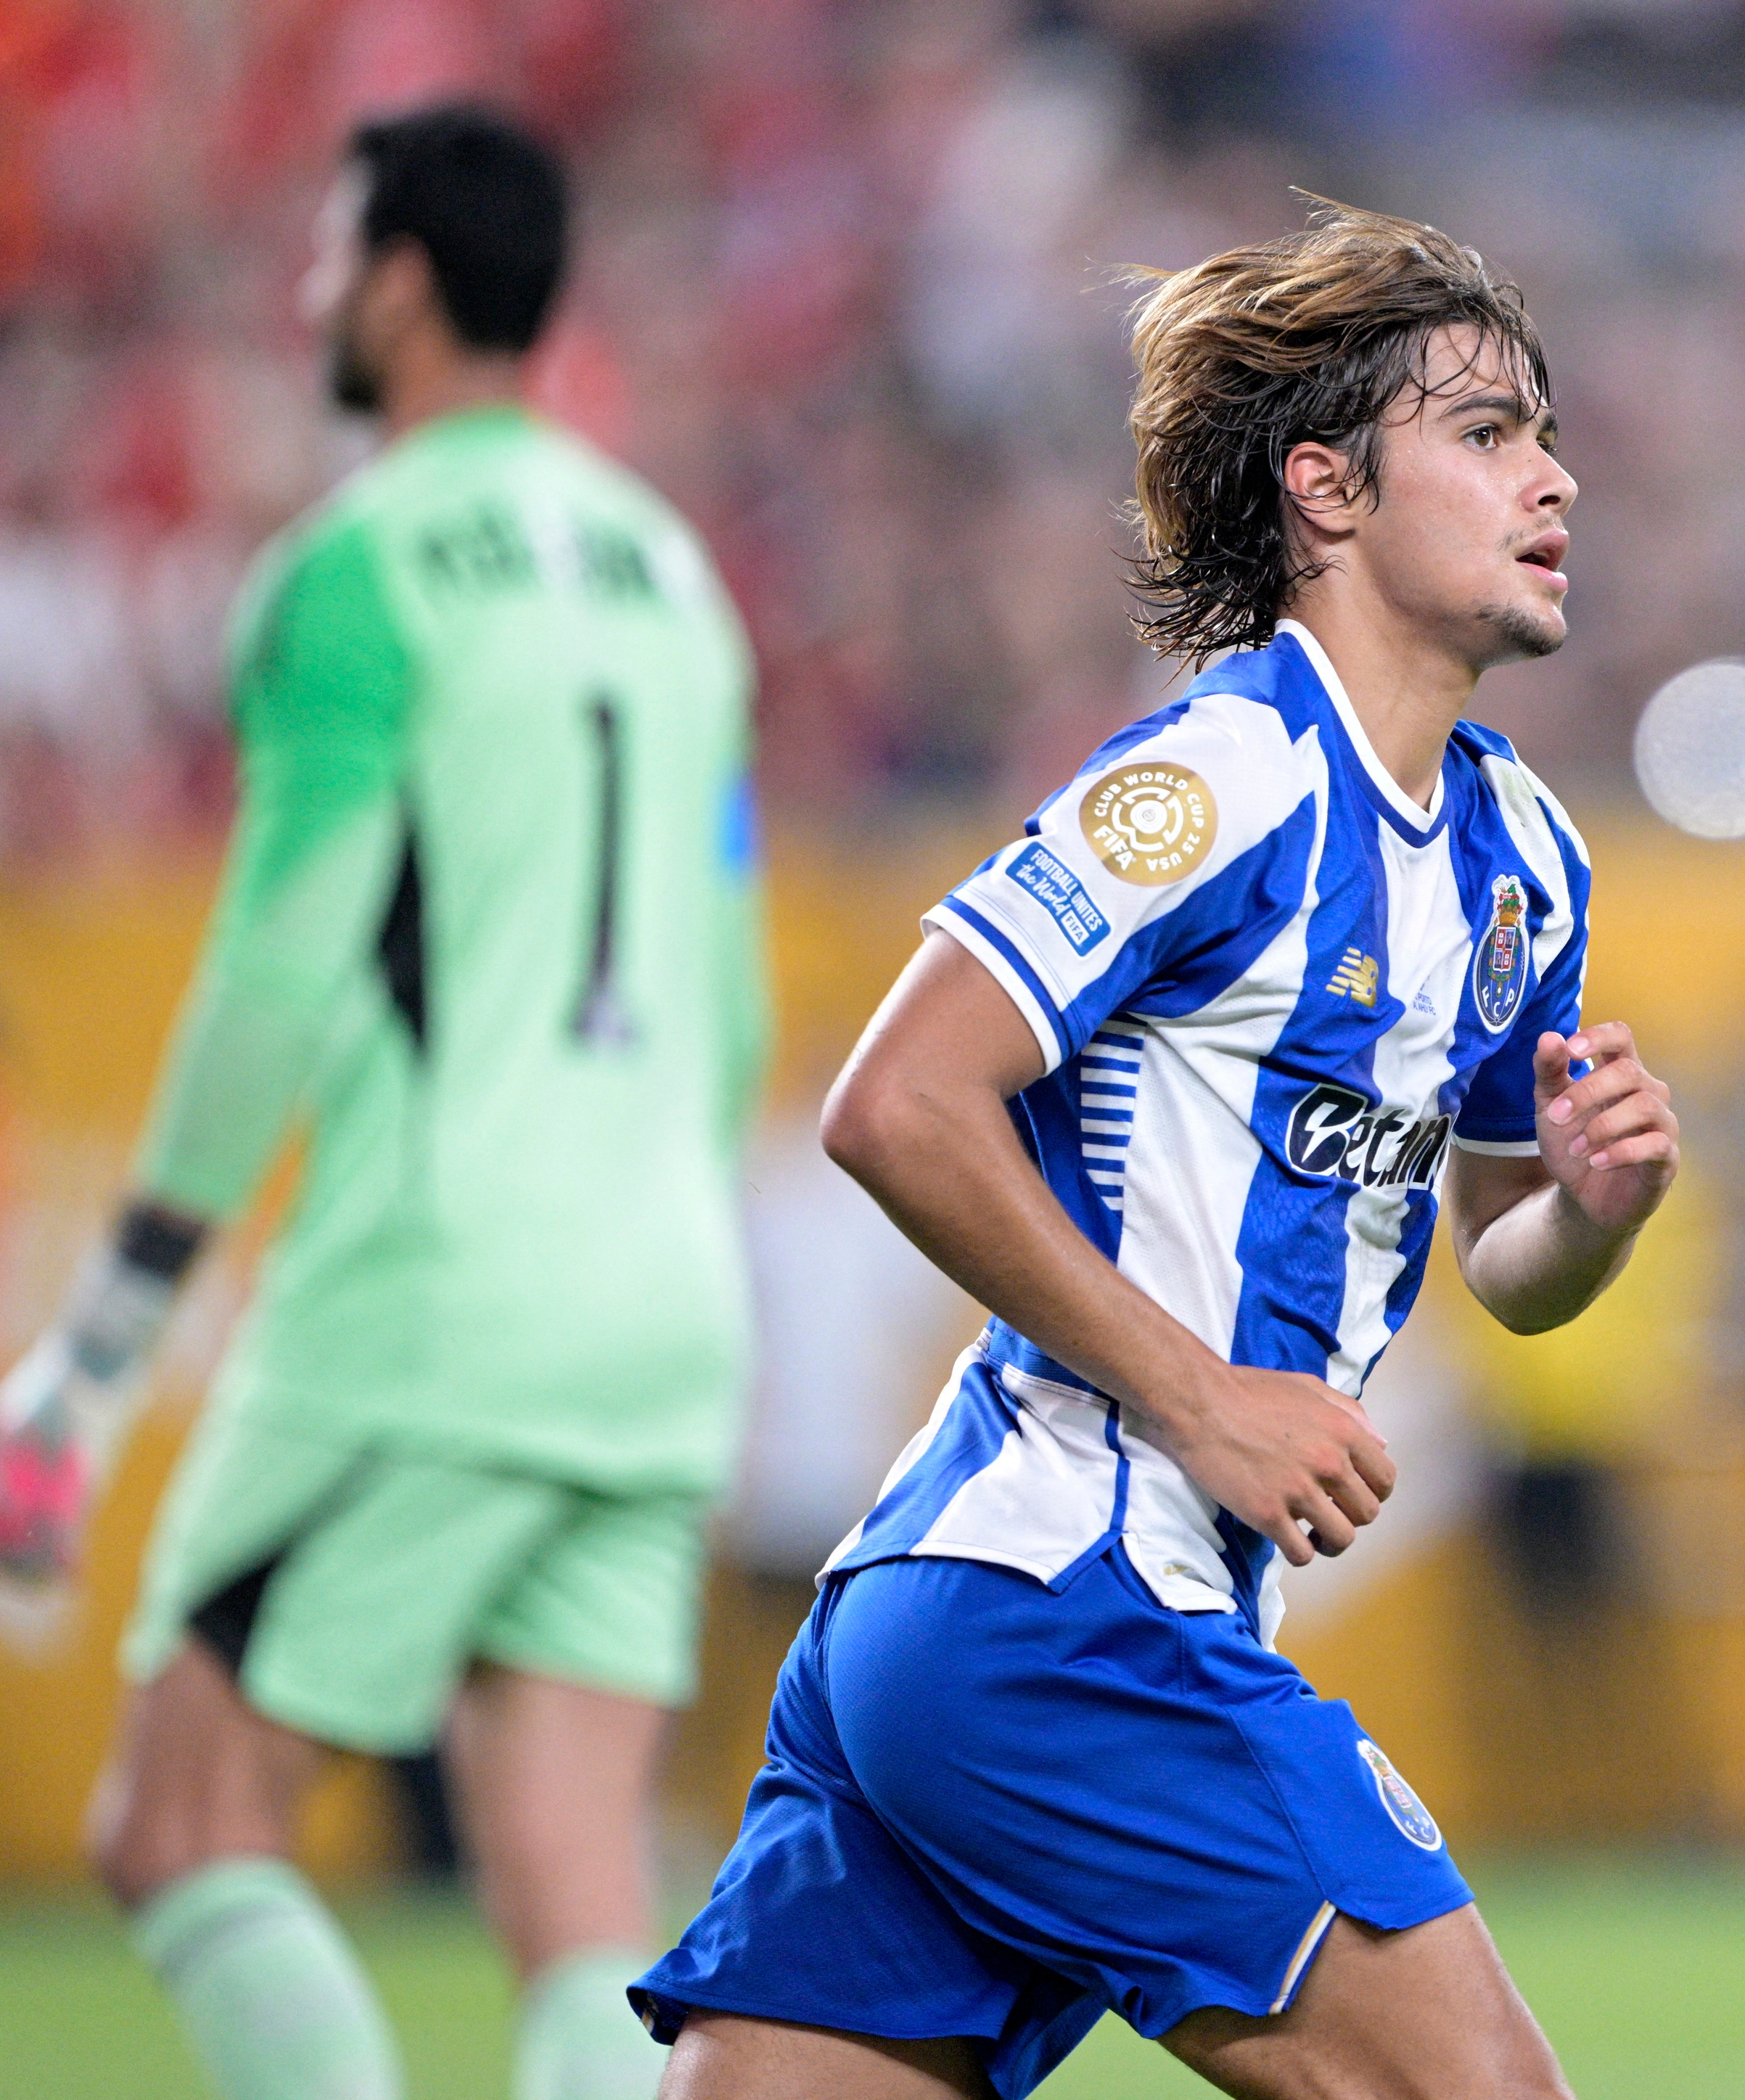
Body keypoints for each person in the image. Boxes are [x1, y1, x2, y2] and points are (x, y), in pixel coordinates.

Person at [639, 200, 1682, 2100]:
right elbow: (898, 1101)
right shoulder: (1215, 777)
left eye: (1546, 434)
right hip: (1071, 1602)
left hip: (963, 1622)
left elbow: (1500, 1261)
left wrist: (1593, 1217)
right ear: (1326, 490)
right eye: (1490, 433)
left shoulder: (1526, 856)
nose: (1557, 478)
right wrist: (1203, 1399)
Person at [0, 102, 769, 2100]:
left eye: (331, 254)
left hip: (440, 1291)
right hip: (665, 1296)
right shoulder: (679, 581)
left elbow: (282, 962)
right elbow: (734, 1008)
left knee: (179, 1822)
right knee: (579, 1896)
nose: (314, 290)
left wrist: (105, 1333)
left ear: (400, 279)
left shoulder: (360, 565)